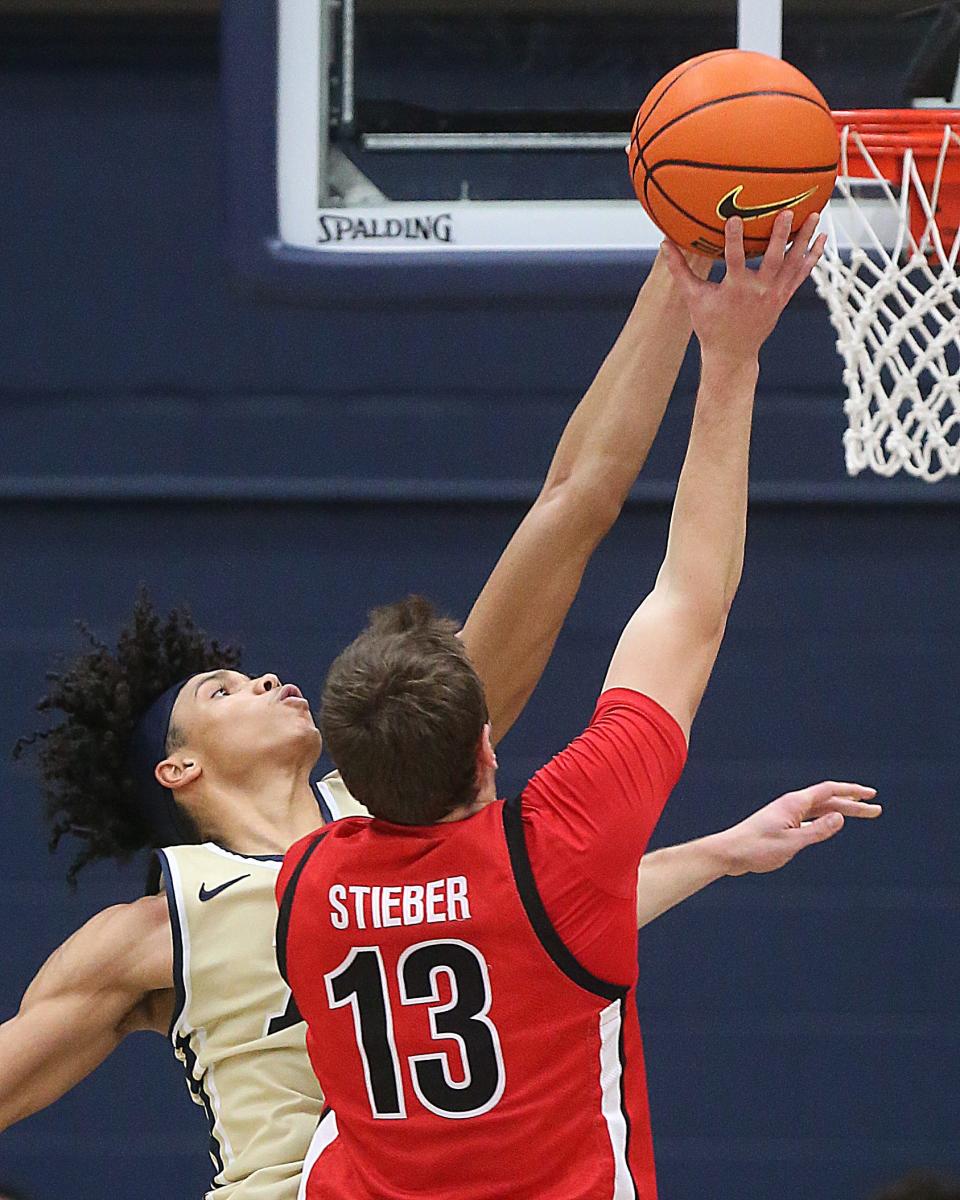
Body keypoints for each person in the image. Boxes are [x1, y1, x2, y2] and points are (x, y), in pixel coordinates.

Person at [0, 231, 880, 1200]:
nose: (262, 682)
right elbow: (543, 902)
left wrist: (678, 262)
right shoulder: (153, 927)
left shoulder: (371, 805)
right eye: (223, 690)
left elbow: (575, 500)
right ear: (179, 771)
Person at [278, 213, 879, 1200]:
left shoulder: (306, 885)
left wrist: (718, 853)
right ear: (485, 747)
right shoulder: (557, 847)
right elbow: (686, 602)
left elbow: (509, 933)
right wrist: (728, 359)